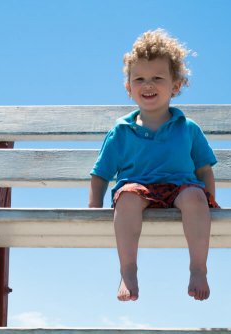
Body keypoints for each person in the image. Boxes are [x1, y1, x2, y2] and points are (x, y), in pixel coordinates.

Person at [89, 29, 219, 302]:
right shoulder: (122, 130)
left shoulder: (187, 128)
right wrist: (93, 207)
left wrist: (209, 200)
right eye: (139, 79)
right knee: (125, 198)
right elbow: (101, 173)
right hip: (137, 189)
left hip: (180, 188)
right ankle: (128, 271)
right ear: (129, 87)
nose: (148, 84)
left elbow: (204, 170)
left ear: (176, 85)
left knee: (195, 196)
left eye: (157, 78)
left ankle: (198, 268)